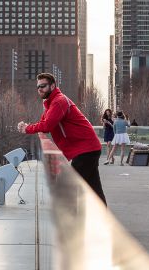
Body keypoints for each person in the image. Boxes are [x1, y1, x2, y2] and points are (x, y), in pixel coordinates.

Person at [17, 72, 106, 203]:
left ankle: (74, 220)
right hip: (87, 149)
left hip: (85, 150)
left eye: (43, 86)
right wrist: (27, 126)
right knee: (93, 187)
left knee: (70, 187)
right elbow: (43, 123)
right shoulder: (51, 103)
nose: (40, 89)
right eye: (38, 87)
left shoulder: (59, 101)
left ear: (52, 86)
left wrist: (27, 129)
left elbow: (47, 126)